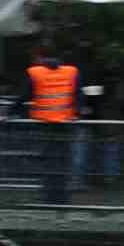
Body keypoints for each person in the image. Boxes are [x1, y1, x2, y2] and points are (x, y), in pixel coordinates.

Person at [26, 41, 82, 200]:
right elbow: (79, 95)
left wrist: (8, 113)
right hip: (66, 121)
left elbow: (24, 94)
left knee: (48, 160)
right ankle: (62, 196)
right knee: (63, 159)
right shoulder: (71, 71)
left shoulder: (35, 72)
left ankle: (49, 196)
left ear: (39, 57)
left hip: (45, 122)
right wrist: (77, 113)